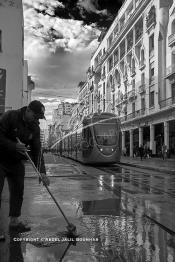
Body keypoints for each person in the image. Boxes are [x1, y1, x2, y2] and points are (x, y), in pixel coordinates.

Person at [0, 100, 50, 240]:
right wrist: (13, 146)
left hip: (16, 161)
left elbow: (37, 151)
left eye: (39, 118)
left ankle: (14, 222)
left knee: (18, 190)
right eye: (35, 116)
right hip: (1, 159)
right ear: (28, 110)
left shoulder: (34, 128)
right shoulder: (10, 116)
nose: (36, 120)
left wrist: (42, 172)